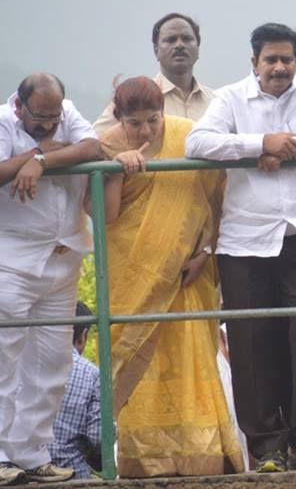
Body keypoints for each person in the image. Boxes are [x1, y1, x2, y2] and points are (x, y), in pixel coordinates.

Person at [185, 23, 296, 473]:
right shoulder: (232, 98)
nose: (279, 68)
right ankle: (268, 448)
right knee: (254, 342)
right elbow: (197, 142)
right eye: (270, 60)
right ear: (254, 62)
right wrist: (258, 144)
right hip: (245, 240)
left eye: (286, 60)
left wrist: (292, 148)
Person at [95, 76, 243, 476]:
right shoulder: (107, 145)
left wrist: (205, 252)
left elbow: (214, 201)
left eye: (153, 120)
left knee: (192, 357)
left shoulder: (187, 136)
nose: (145, 130)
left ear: (164, 113)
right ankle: (141, 459)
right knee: (138, 362)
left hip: (187, 273)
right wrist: (115, 171)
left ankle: (201, 453)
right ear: (118, 117)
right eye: (135, 123)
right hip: (132, 274)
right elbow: (106, 217)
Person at [0, 73, 100, 485]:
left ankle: (32, 453)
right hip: (12, 261)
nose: (48, 124)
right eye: (39, 117)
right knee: (3, 361)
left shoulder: (67, 115)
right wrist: (38, 152)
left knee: (53, 363)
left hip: (64, 259)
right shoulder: (3, 123)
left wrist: (38, 161)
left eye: (53, 116)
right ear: (19, 107)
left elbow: (93, 147)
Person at [94, 13, 215, 135]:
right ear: (156, 50)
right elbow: (94, 142)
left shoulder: (216, 102)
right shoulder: (134, 97)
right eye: (171, 40)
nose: (179, 45)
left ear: (198, 48)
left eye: (187, 39)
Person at [50, 303, 101, 480]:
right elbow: (98, 436)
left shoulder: (19, 364)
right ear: (83, 336)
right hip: (72, 475)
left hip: (21, 474)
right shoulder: (92, 374)